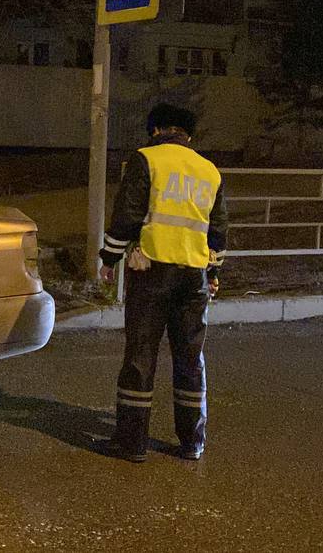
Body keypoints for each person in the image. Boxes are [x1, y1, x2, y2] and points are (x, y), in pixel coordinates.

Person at [97, 103, 228, 463]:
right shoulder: (209, 171)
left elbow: (127, 216)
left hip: (152, 274)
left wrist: (109, 259)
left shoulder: (147, 160)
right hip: (194, 278)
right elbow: (217, 233)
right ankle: (192, 443)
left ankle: (132, 443)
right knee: (190, 358)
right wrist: (212, 273)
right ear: (188, 134)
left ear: (156, 131)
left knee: (141, 355)